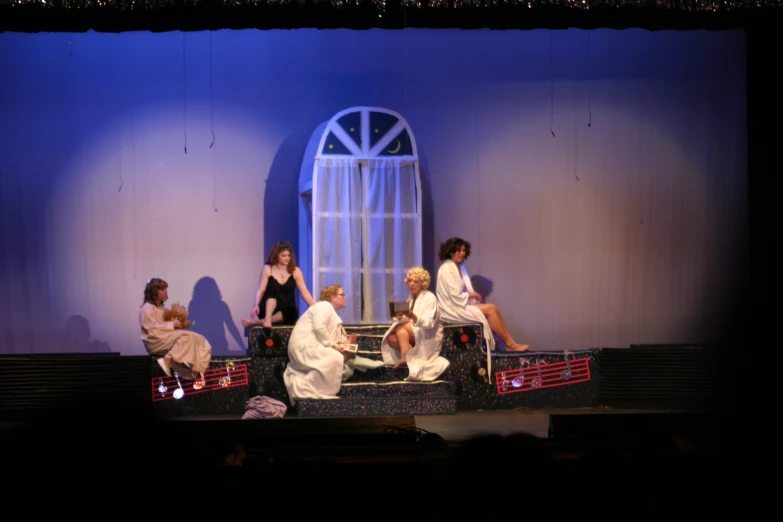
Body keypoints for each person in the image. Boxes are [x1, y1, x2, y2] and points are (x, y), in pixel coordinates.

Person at [436, 237, 529, 352]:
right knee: (491, 309)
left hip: (458, 304)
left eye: (463, 250)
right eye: (458, 250)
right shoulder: (446, 269)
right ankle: (510, 344)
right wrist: (473, 295)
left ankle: (510, 343)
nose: (461, 253)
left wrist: (471, 297)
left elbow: (459, 295)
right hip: (451, 309)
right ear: (450, 251)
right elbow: (455, 296)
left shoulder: (460, 267)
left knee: (493, 308)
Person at [282, 285, 357, 403]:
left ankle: (315, 390)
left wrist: (346, 344)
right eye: (342, 294)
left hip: (311, 346)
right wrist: (334, 345)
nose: (345, 297)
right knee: (334, 357)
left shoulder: (331, 314)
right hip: (303, 346)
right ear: (333, 297)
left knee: (336, 357)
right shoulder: (324, 306)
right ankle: (301, 388)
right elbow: (319, 328)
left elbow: (330, 335)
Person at [380, 267, 450, 381]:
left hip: (428, 335)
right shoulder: (412, 297)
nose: (411, 284)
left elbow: (429, 323)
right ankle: (409, 356)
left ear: (423, 283)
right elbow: (410, 317)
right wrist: (401, 316)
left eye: (415, 281)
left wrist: (411, 316)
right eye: (409, 281)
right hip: (415, 333)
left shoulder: (430, 298)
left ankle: (404, 357)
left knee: (400, 327)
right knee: (390, 338)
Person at [139, 278, 212, 382]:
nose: (165, 292)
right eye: (162, 289)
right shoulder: (147, 307)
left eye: (165, 289)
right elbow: (151, 328)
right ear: (154, 291)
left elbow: (166, 324)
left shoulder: (162, 309)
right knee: (186, 336)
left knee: (198, 338)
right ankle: (168, 358)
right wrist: (172, 324)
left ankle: (194, 366)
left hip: (163, 337)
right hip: (154, 340)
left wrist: (177, 324)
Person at [243, 241, 315, 329]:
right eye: (283, 255)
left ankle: (257, 322)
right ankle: (267, 318)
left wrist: (315, 308)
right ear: (276, 255)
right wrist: (256, 305)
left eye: (289, 255)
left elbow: (305, 292)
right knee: (273, 289)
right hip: (268, 308)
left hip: (286, 311)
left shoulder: (296, 271)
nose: (287, 258)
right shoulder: (268, 269)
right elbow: (261, 290)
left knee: (293, 311)